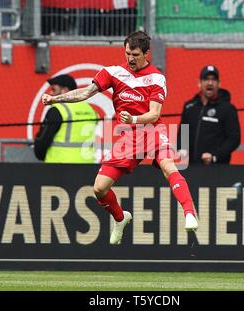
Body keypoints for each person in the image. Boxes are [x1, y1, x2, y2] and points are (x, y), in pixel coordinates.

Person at [42, 31, 199, 245]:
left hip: (151, 130)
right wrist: (54, 99)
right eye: (127, 53)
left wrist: (133, 118)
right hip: (128, 138)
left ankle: (189, 212)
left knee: (168, 166)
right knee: (99, 188)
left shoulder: (156, 78)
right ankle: (120, 217)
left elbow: (154, 114)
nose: (130, 58)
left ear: (146, 54)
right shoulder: (113, 73)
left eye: (135, 54)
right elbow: (85, 93)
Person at [177, 65, 241, 165]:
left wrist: (215, 156)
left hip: (217, 169)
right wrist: (181, 148)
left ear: (219, 84)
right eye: (206, 79)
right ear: (199, 83)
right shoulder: (189, 107)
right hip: (191, 167)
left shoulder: (228, 109)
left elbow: (234, 139)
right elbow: (183, 131)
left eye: (213, 80)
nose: (210, 83)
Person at [34, 74, 101, 163]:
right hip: (87, 164)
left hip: (59, 165)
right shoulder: (90, 110)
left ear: (65, 90)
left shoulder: (58, 110)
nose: (50, 93)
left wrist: (40, 155)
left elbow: (43, 140)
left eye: (54, 89)